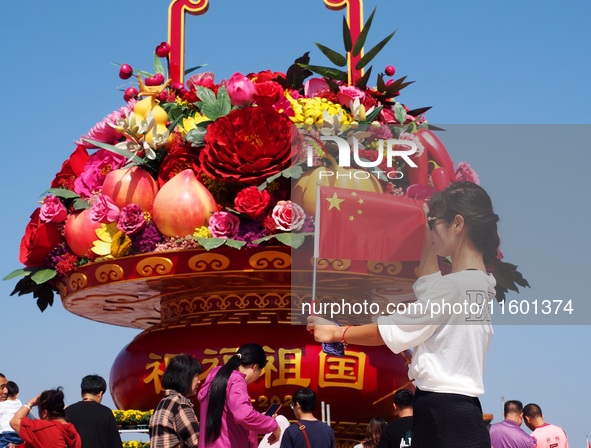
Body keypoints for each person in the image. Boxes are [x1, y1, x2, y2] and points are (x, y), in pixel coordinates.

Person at [308, 181, 499, 448]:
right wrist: (425, 225)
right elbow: (428, 279)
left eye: (435, 223)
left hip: (443, 412)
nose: (432, 229)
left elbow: (394, 329)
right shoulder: (478, 284)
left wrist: (337, 332)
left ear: (458, 223)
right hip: (454, 409)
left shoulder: (456, 287)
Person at [198, 343, 281, 448]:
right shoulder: (236, 380)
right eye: (260, 371)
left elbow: (227, 418)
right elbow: (243, 415)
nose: (258, 376)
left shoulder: (214, 375)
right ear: (255, 367)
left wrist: (260, 419)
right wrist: (273, 425)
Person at [150, 354, 202, 448]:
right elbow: (196, 442)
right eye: (197, 376)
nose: (199, 381)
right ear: (186, 377)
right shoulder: (180, 404)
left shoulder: (162, 404)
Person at [10, 387, 82, 448]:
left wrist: (30, 403)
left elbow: (14, 422)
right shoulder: (74, 433)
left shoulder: (44, 428)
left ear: (44, 413)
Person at [65, 374, 122, 448]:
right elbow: (115, 443)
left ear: (81, 393)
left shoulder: (68, 411)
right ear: (100, 394)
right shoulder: (106, 412)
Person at [0, 381, 24, 447]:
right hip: (18, 433)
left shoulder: (2, 405)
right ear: (17, 395)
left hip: (5, 434)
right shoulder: (19, 403)